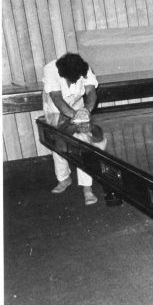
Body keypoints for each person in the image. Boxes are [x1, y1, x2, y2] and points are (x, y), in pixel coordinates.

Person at [42, 52, 99, 205]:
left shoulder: (84, 68)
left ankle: (87, 188)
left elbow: (90, 92)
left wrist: (85, 111)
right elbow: (57, 98)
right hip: (55, 109)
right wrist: (73, 115)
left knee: (83, 143)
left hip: (78, 107)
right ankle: (64, 178)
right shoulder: (50, 69)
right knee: (58, 143)